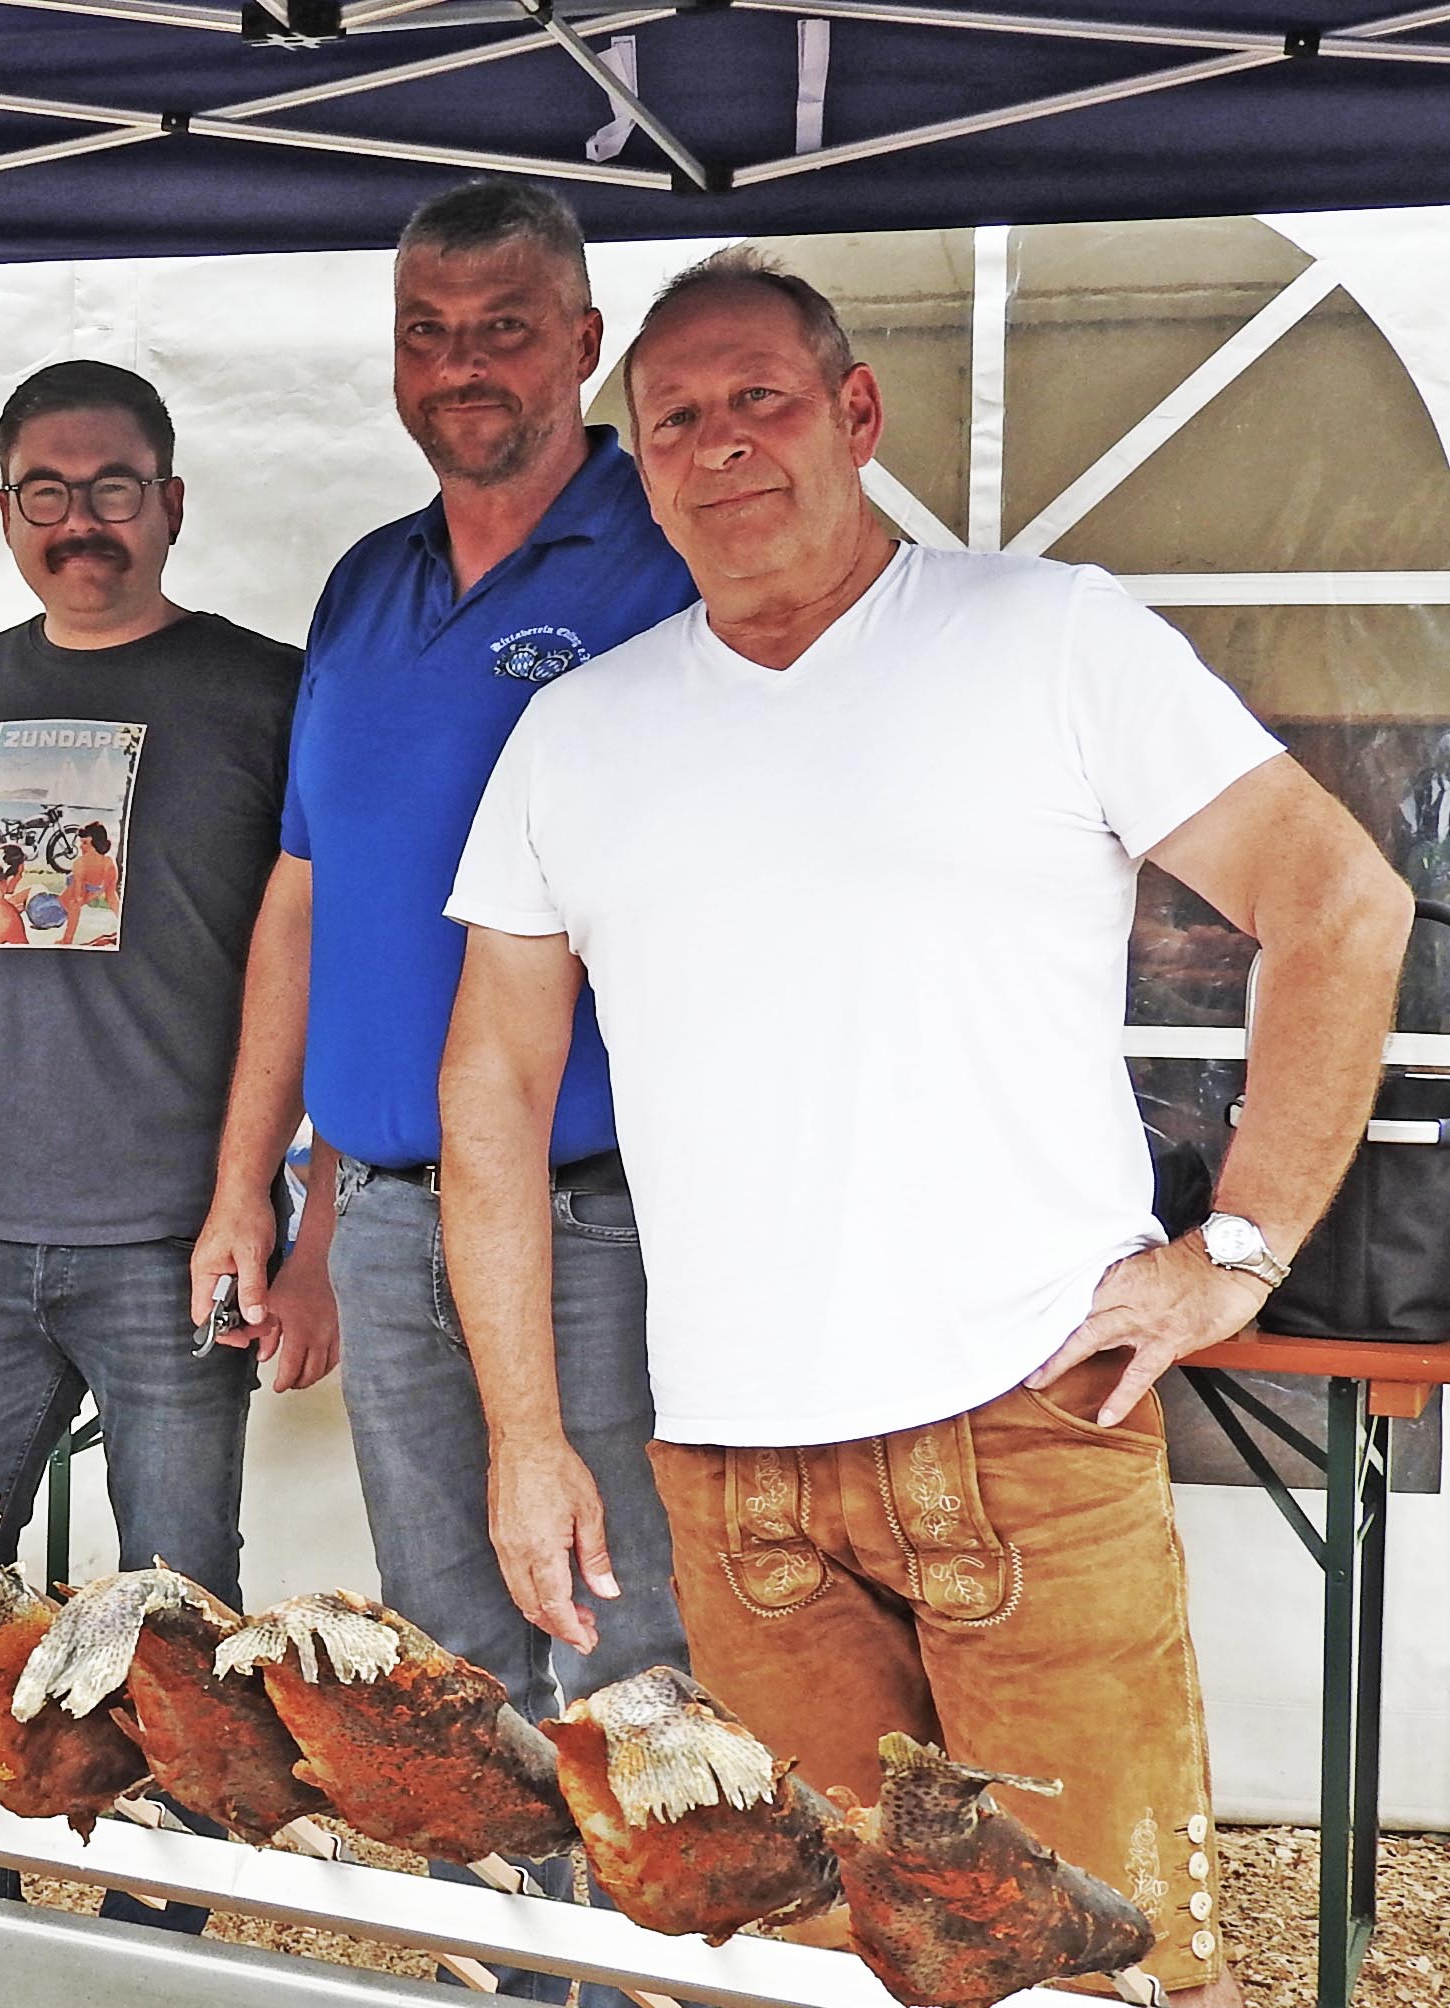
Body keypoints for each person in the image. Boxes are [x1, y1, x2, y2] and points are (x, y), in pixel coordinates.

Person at [438, 248, 1414, 2006]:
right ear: (639, 467)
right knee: (814, 1981)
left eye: (761, 399)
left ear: (857, 413)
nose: (723, 445)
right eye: (677, 420)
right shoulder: (574, 735)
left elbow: (1339, 903)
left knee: (1100, 1978)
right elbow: (490, 1091)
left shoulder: (1049, 638)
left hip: (1025, 1419)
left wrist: (1237, 1250)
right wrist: (526, 1436)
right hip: (732, 1471)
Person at [190, 178, 694, 1995]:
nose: (462, 366)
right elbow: (305, 902)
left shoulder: (672, 560)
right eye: (428, 333)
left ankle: (643, 1977)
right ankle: (522, 1977)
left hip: (598, 1215)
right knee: (456, 1667)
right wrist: (265, 1194)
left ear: (586, 343)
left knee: (623, 1660)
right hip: (392, 1221)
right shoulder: (365, 583)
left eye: (503, 329)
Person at [0, 360, 329, 1920]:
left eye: (114, 487)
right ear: (6, 511)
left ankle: (169, 1930)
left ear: (172, 502)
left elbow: (339, 965)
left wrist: (298, 1217)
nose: (83, 522)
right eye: (48, 493)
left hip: (177, 1246)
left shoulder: (268, 692)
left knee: (182, 1617)